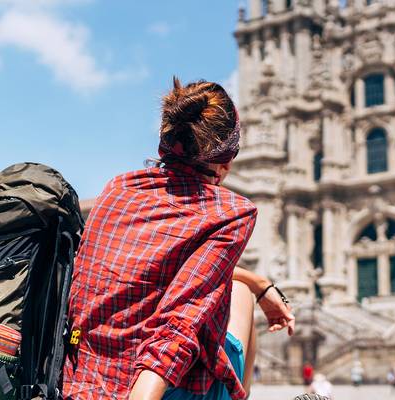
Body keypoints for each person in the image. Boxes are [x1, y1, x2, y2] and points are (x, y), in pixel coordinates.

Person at [63, 78, 297, 400]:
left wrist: (260, 282)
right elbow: (177, 326)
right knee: (239, 293)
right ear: (227, 159)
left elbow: (152, 272)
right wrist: (252, 286)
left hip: (78, 380)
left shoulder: (117, 188)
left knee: (241, 285)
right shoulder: (231, 211)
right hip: (151, 390)